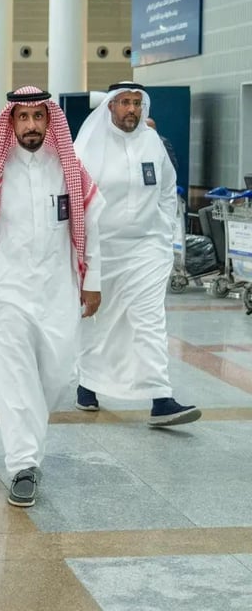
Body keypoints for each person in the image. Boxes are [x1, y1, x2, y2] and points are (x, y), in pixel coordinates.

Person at [0, 86, 103, 508]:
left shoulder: (69, 169)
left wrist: (93, 279)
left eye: (38, 116)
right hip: (5, 291)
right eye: (23, 117)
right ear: (10, 122)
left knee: (57, 375)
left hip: (57, 290)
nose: (31, 125)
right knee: (13, 379)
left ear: (49, 121)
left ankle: (29, 444)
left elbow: (92, 227)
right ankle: (23, 465)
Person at [74, 82, 201, 426]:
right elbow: (77, 199)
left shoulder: (152, 142)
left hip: (146, 248)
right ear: (111, 107)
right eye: (125, 102)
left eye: (136, 103)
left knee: (149, 320)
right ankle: (88, 383)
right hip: (102, 250)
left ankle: (161, 397)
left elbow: (167, 189)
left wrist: (163, 231)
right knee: (99, 320)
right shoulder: (89, 146)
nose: (132, 109)